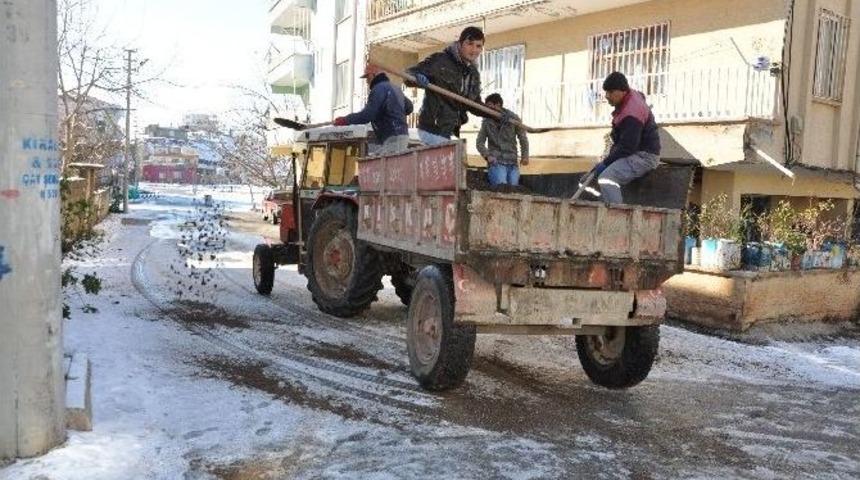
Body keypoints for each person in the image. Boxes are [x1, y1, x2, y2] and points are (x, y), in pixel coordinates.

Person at [406, 26, 507, 146]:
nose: (474, 50)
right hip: (432, 129)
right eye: (470, 44)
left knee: (452, 162)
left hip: (452, 130)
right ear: (460, 44)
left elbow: (474, 104)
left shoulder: (473, 74)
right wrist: (417, 79)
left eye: (478, 46)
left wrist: (496, 115)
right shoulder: (440, 60)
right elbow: (408, 74)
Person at [591, 71, 661, 204]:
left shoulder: (632, 114)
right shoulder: (629, 96)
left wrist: (606, 163)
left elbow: (627, 147)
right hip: (634, 152)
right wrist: (605, 162)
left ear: (622, 91)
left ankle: (617, 217)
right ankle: (603, 207)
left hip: (644, 156)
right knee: (594, 177)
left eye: (611, 92)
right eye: (606, 92)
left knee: (607, 177)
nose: (607, 96)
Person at [333, 63, 413, 155]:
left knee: (379, 166)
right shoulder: (395, 88)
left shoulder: (378, 89)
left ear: (374, 75)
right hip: (402, 136)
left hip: (393, 138)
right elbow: (410, 107)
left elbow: (367, 115)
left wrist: (345, 120)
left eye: (367, 77)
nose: (367, 81)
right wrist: (393, 111)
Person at [475, 93, 529, 186]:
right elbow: (479, 142)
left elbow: (523, 139)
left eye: (490, 106)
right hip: (497, 162)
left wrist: (525, 156)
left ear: (498, 105)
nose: (487, 110)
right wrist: (488, 156)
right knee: (501, 186)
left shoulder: (513, 119)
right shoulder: (486, 122)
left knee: (514, 189)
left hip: (512, 162)